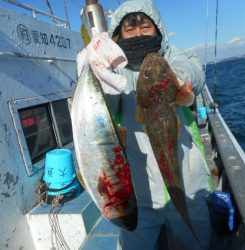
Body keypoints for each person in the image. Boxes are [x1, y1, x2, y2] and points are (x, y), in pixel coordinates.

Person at [77, 0, 212, 249]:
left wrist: (176, 78)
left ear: (158, 29)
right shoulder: (117, 68)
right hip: (140, 194)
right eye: (130, 29)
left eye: (145, 27)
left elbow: (193, 68)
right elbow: (105, 104)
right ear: (119, 35)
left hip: (188, 186)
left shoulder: (172, 57)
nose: (139, 33)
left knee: (197, 241)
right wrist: (96, 73)